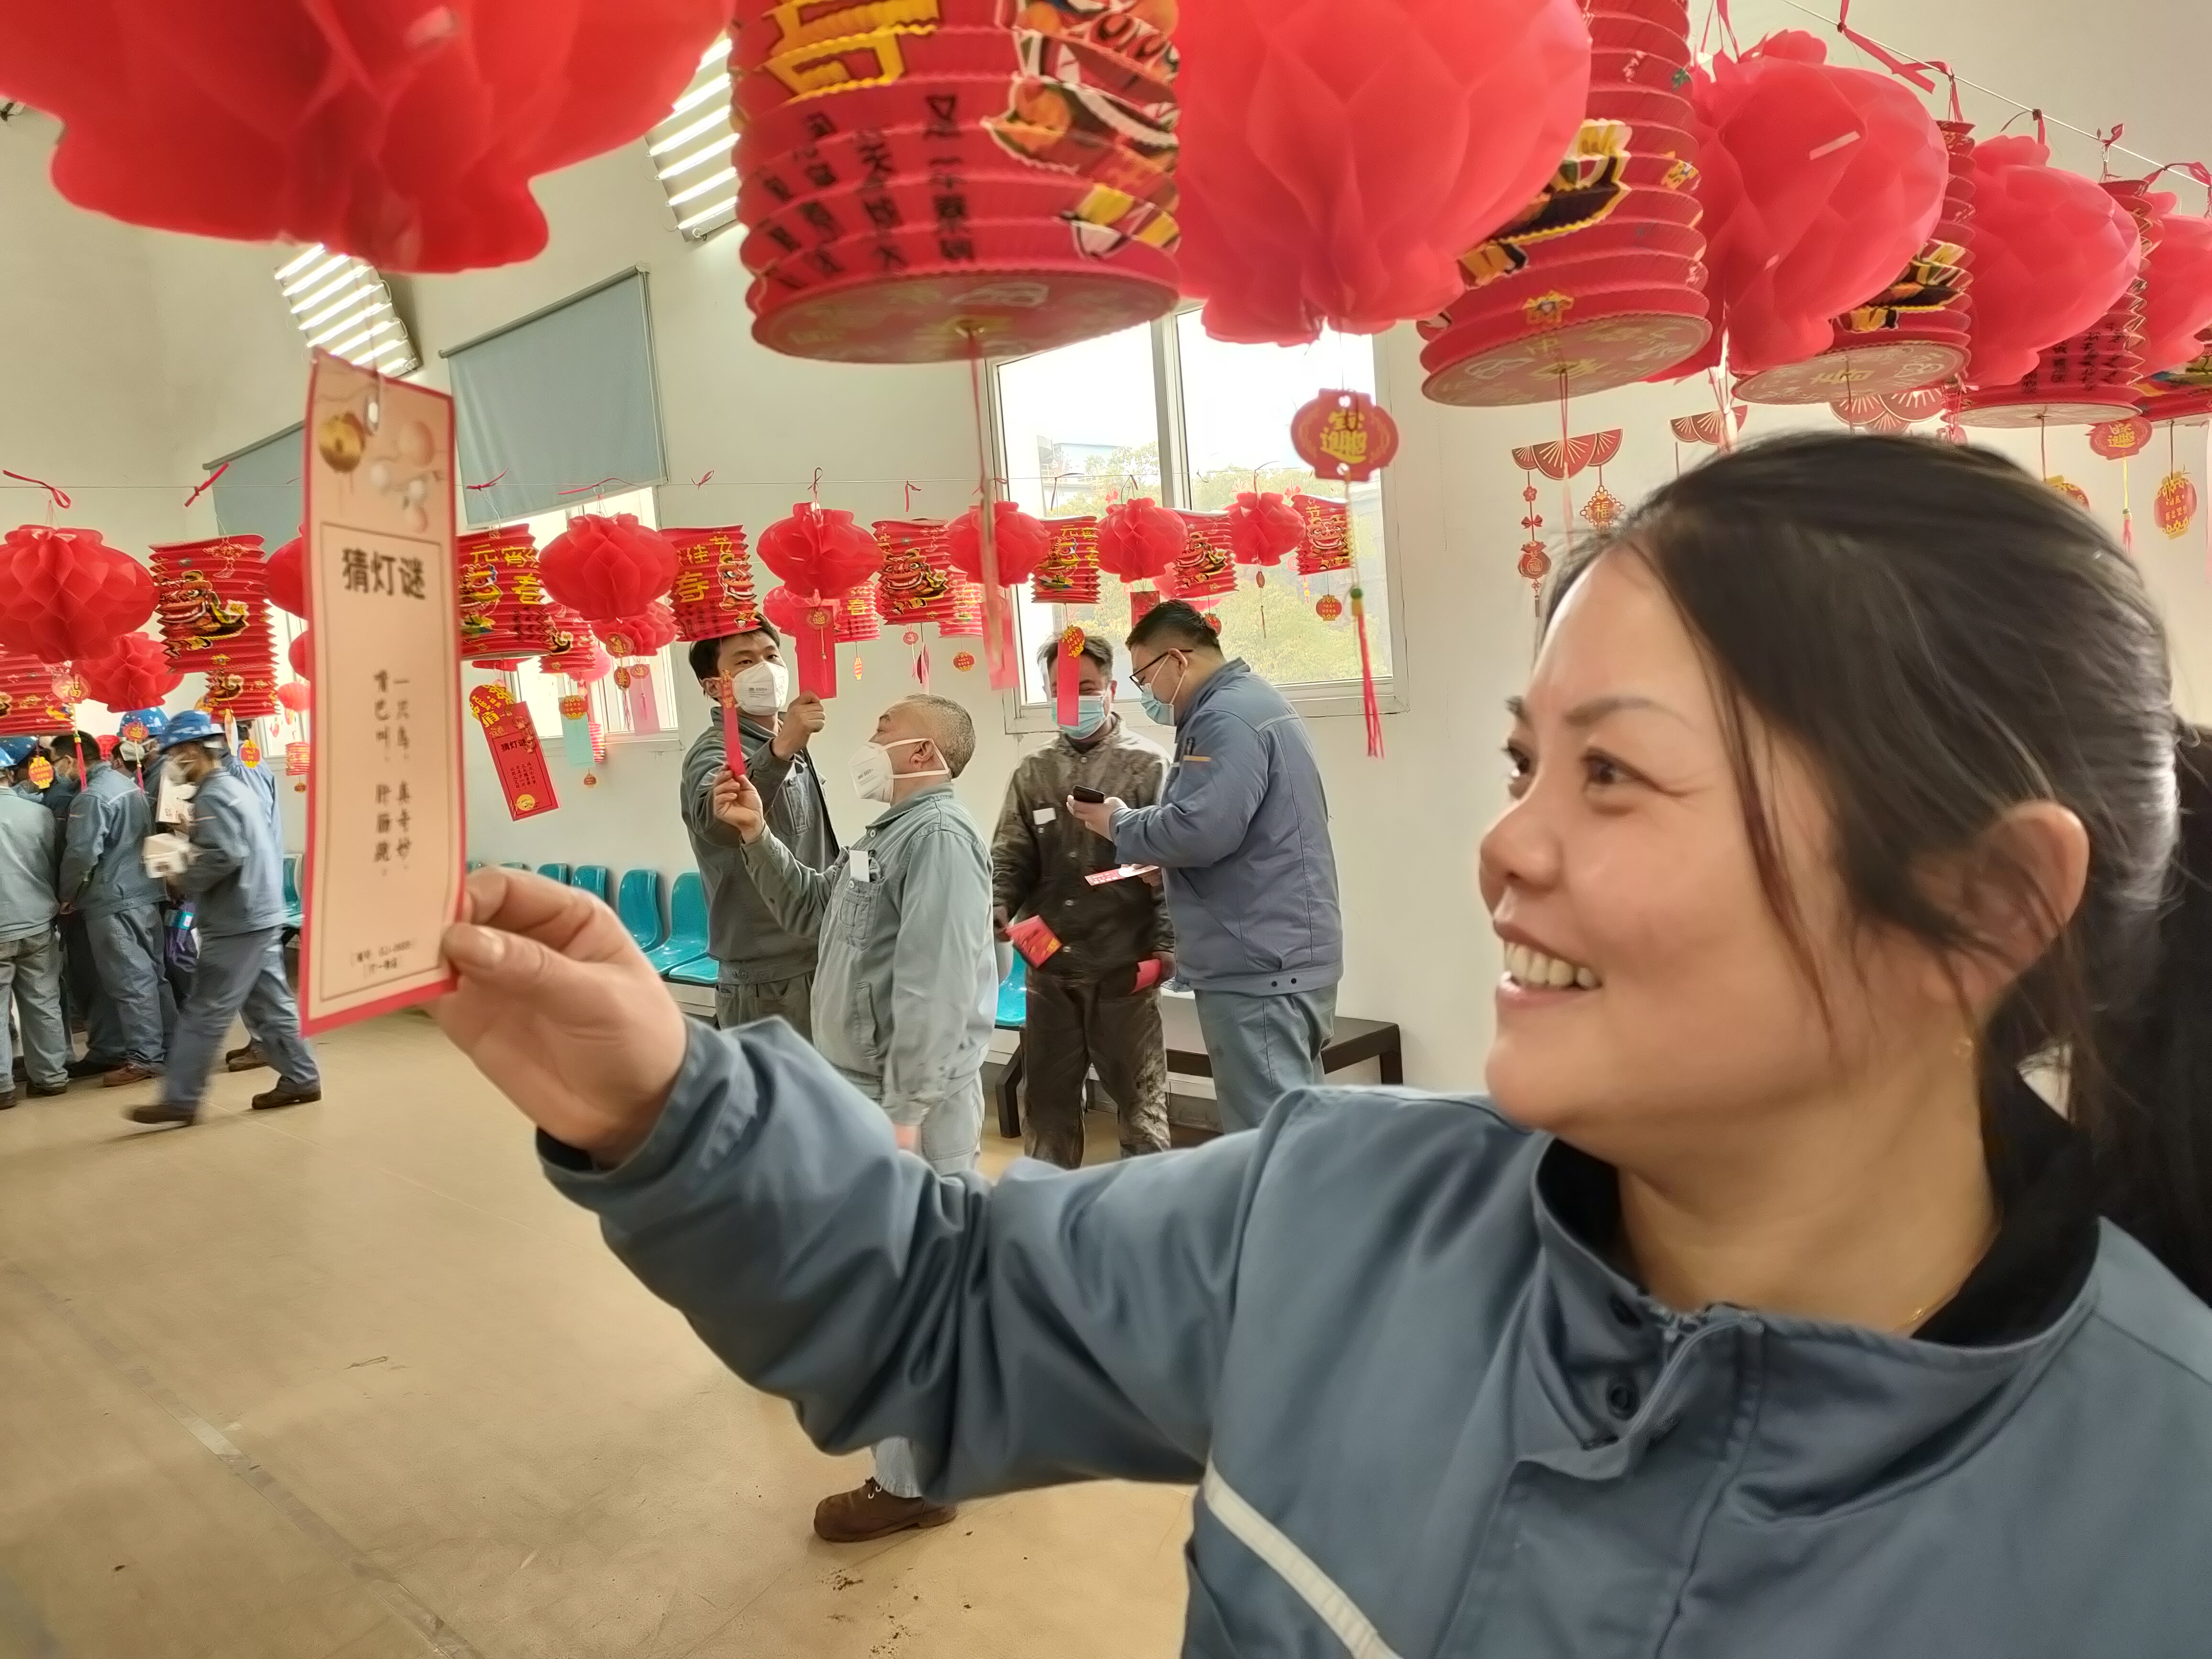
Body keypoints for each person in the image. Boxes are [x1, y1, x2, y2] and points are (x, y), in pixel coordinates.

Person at [435, 434, 2212, 1654]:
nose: (1504, 845)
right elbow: (940, 1300)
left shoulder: (2160, 1513)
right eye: (1523, 762)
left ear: (1982, 904)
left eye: (1612, 772)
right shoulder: (1337, 1216)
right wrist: (659, 1100)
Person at [710, 692, 994, 1544]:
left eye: (883, 727)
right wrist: (757, 835)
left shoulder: (938, 839)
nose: (868, 738)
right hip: (873, 1094)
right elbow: (811, 912)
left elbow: (937, 988)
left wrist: (902, 1117)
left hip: (903, 1103)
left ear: (923, 752)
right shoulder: (884, 838)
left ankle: (912, 1484)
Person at [1064, 600, 1341, 1132]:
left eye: (1144, 676)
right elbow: (1243, 831)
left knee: (1267, 1134)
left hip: (1258, 962)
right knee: (1298, 1127)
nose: (1146, 692)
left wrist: (1118, 823)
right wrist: (1166, 866)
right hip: (1281, 947)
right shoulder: (1253, 702)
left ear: (1177, 659)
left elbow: (1201, 830)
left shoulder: (1224, 718)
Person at [992, 632, 1173, 1165]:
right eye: (1061, 689)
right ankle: (1046, 1207)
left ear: (1112, 690)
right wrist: (998, 902)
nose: (1074, 699)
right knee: (1047, 1109)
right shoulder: (1033, 772)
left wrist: (1166, 953)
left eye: (1087, 687)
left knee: (1142, 1110)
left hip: (1125, 970)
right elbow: (1010, 854)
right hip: (1048, 969)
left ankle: (1152, 1207)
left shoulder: (1150, 767)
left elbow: (1176, 871)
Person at [126, 712, 319, 1127]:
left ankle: (180, 1099)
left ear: (194, 750)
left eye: (175, 753)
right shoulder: (233, 787)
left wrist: (181, 874)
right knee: (272, 1005)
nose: (172, 762)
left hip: (236, 920)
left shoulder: (213, 796)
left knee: (205, 1011)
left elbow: (225, 855)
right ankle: (302, 1078)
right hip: (259, 911)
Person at [679, 622, 835, 1035]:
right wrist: (780, 751)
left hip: (817, 952)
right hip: (768, 979)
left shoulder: (784, 737)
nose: (765, 669)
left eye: (771, 656)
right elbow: (719, 823)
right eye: (745, 662)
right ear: (715, 687)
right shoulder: (713, 751)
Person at [55, 728, 168, 1085]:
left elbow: (81, 854)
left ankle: (145, 1058)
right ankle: (170, 1046)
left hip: (113, 899)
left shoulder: (91, 798)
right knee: (154, 976)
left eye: (56, 763)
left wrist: (67, 894)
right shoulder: (127, 785)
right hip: (145, 892)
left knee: (130, 980)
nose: (56, 771)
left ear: (70, 760)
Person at [221, 716, 287, 1074]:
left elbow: (248, 830)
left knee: (259, 974)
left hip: (253, 886)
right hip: (254, 884)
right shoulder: (244, 765)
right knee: (255, 972)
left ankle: (268, 1044)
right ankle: (263, 1039)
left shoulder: (241, 768)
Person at [0, 776, 68, 1106]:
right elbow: (55, 864)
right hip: (37, 921)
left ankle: (3, 1086)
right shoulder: (39, 813)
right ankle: (51, 1077)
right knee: (43, 1000)